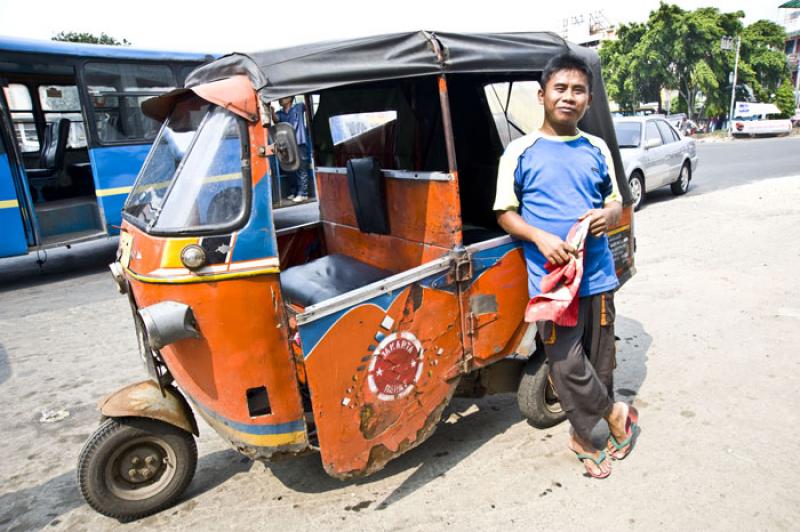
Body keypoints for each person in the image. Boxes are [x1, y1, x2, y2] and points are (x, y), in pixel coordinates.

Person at [493, 52, 640, 479]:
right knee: (566, 362)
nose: (569, 97)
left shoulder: (595, 148)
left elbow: (615, 201)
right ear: (542, 95)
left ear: (588, 100)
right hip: (553, 283)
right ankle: (614, 414)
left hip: (597, 274)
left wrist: (611, 215)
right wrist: (539, 236)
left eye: (578, 90)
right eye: (560, 89)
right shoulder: (519, 151)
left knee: (602, 361)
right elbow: (504, 212)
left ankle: (582, 436)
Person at [273, 96, 311, 202]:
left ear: (290, 98)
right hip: (288, 145)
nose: (280, 99)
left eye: (283, 97)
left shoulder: (298, 107)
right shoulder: (280, 113)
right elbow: (276, 120)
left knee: (301, 168)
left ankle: (303, 193)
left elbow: (308, 107)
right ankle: (294, 192)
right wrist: (271, 112)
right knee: (290, 168)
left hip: (299, 142)